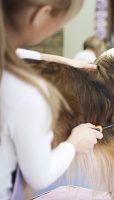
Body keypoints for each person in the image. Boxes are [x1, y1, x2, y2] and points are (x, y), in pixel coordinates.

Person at [0, 1, 104, 200]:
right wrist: (74, 143)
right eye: (61, 21)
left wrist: (69, 62)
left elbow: (27, 55)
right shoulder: (24, 92)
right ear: (41, 14)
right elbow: (39, 175)